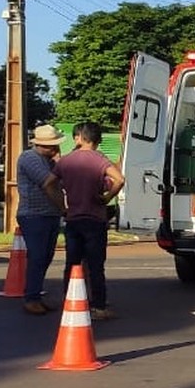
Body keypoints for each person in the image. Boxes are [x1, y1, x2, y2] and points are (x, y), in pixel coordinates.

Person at [54, 122, 125, 321]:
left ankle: (70, 301)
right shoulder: (100, 160)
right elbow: (119, 179)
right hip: (95, 218)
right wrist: (107, 197)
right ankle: (99, 306)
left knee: (72, 262)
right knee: (95, 265)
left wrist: (60, 205)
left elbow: (49, 183)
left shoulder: (66, 161)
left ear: (78, 137)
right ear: (97, 140)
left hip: (73, 218)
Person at [15, 125, 67, 315]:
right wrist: (63, 208)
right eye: (53, 146)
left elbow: (62, 181)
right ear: (42, 145)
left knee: (45, 256)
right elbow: (49, 184)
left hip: (49, 214)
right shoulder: (30, 158)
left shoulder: (49, 161)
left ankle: (35, 293)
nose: (56, 149)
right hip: (34, 214)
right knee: (37, 257)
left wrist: (58, 162)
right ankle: (31, 298)